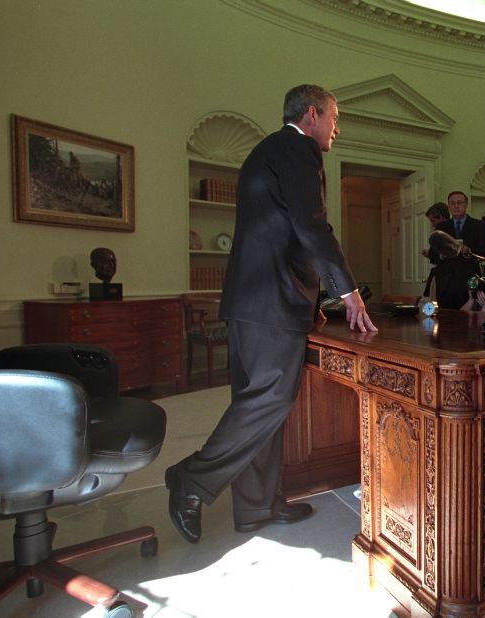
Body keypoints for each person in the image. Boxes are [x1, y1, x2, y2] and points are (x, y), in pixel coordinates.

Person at [165, 84, 377, 545]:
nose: (337, 128)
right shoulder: (299, 149)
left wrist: (314, 298)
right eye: (334, 118)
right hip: (270, 302)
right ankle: (191, 478)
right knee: (269, 401)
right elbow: (311, 226)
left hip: (255, 301)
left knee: (259, 401)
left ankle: (257, 507)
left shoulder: (268, 150)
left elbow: (287, 229)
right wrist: (349, 293)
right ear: (312, 114)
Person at [429, 191, 485, 309]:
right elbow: (432, 254)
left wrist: (469, 250)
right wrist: (442, 254)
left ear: (466, 205)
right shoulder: (441, 227)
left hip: (468, 280)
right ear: (449, 206)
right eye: (452, 203)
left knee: (469, 320)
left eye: (459, 203)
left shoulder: (479, 225)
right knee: (446, 321)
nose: (456, 206)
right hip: (445, 282)